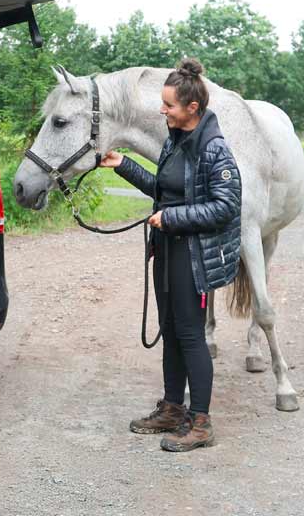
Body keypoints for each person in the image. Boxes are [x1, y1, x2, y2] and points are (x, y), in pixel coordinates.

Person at [99, 57, 242, 452]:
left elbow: (226, 207)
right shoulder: (174, 141)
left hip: (193, 257)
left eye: (169, 105)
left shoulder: (215, 152)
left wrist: (173, 219)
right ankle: (173, 409)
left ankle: (201, 423)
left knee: (191, 336)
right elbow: (164, 192)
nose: (163, 110)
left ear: (192, 108)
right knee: (171, 333)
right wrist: (123, 165)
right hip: (167, 251)